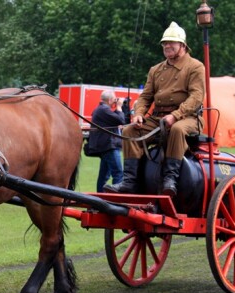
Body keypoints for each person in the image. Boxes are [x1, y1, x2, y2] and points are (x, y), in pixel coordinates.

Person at [104, 22, 205, 196]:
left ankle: (170, 179)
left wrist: (175, 115)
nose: (166, 45)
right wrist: (139, 114)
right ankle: (130, 182)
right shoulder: (155, 70)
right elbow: (145, 96)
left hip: (187, 118)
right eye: (164, 43)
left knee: (177, 129)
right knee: (129, 130)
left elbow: (196, 97)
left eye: (171, 42)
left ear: (182, 45)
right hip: (158, 118)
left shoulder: (195, 66)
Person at [88, 90, 126, 192]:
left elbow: (118, 119)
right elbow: (121, 120)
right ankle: (117, 200)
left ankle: (100, 199)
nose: (115, 101)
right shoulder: (104, 110)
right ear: (110, 100)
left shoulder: (101, 109)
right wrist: (119, 107)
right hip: (109, 146)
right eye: (114, 99)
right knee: (118, 173)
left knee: (104, 176)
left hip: (106, 146)